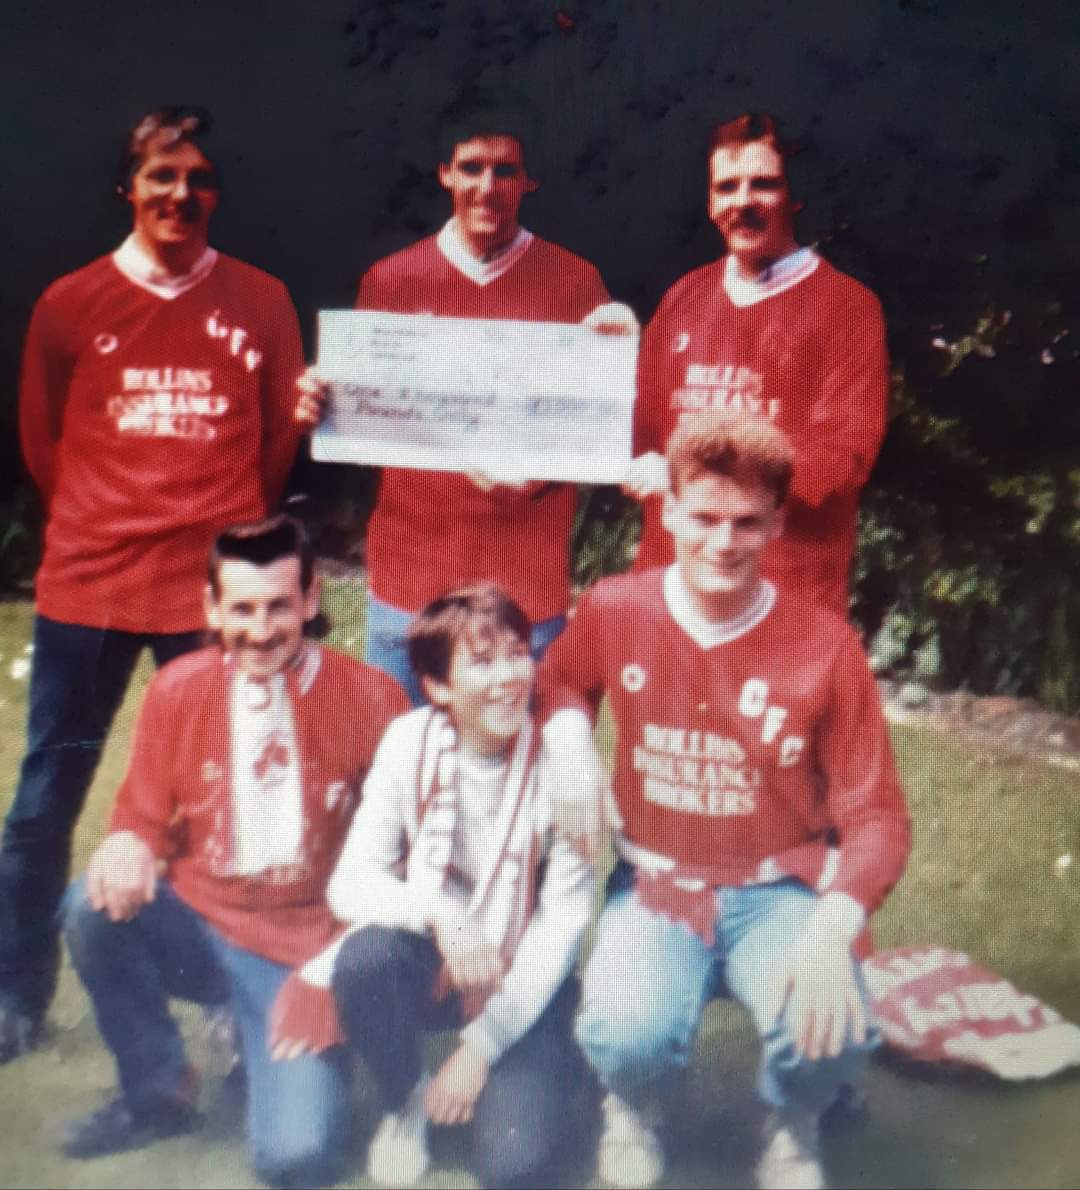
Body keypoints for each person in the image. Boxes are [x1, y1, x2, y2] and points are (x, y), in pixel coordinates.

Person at [0, 106, 306, 1059]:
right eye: (162, 177)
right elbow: (42, 440)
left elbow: (274, 443)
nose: (182, 195)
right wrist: (104, 519)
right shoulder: (70, 301)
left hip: (211, 597)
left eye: (200, 179)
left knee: (232, 798)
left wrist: (209, 540)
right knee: (49, 793)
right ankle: (16, 992)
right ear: (128, 189)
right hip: (88, 584)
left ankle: (226, 986)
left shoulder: (260, 299)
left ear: (217, 193)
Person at [540, 414, 911, 1189]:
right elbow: (558, 681)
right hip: (658, 880)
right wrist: (571, 739)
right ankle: (632, 1109)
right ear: (667, 510)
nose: (723, 541)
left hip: (778, 885)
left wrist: (834, 922)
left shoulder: (824, 644)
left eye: (747, 522)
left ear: (778, 522)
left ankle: (794, 1123)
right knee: (626, 1032)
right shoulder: (618, 605)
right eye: (703, 517)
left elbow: (876, 813)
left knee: (831, 1028)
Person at [59, 515, 408, 1187]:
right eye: (241, 608)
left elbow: (400, 860)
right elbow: (141, 818)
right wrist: (127, 844)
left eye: (280, 605)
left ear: (311, 600)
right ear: (211, 608)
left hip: (300, 951)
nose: (259, 627)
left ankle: (263, 1045)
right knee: (90, 907)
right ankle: (157, 1088)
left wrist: (337, 972)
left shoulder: (371, 699)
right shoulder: (177, 690)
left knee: (296, 1156)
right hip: (199, 927)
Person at [296, 101, 633, 704]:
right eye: (471, 167)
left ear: (530, 179)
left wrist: (546, 464)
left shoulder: (575, 280)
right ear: (445, 173)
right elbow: (369, 420)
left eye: (505, 170)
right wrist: (324, 402)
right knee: (409, 771)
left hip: (524, 585)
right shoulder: (393, 279)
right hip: (411, 584)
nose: (487, 187)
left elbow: (596, 432)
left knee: (520, 783)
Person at [273, 583, 594, 1188]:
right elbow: (351, 883)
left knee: (515, 1167)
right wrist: (440, 916)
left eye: (516, 653)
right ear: (438, 687)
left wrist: (481, 1048)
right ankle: (404, 1102)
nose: (508, 678)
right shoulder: (408, 740)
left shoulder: (564, 760)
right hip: (439, 956)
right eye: (482, 662)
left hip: (521, 973)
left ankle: (547, 1067)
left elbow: (562, 926)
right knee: (366, 960)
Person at [628, 112, 889, 616]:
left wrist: (709, 479)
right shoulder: (684, 297)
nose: (742, 202)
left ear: (795, 197)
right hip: (672, 592)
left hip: (783, 596)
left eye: (763, 185)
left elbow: (844, 456)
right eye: (726, 187)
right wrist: (598, 358)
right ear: (709, 201)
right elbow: (638, 436)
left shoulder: (847, 306)